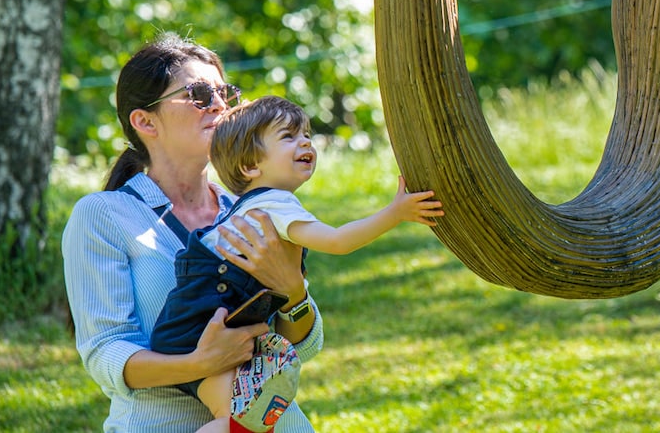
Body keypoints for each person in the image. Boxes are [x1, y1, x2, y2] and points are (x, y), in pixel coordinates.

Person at [63, 33, 324, 432]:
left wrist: (293, 291)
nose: (219, 105)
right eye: (200, 94)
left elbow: (301, 346)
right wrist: (198, 365)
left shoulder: (249, 210)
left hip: (273, 422)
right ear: (145, 121)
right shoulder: (103, 215)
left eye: (225, 92)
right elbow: (106, 354)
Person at [149, 95, 445, 433]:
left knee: (238, 421)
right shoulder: (275, 204)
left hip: (186, 335)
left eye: (305, 134)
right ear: (250, 166)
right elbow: (338, 240)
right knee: (241, 419)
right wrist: (396, 213)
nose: (305, 141)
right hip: (205, 327)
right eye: (288, 137)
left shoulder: (246, 208)